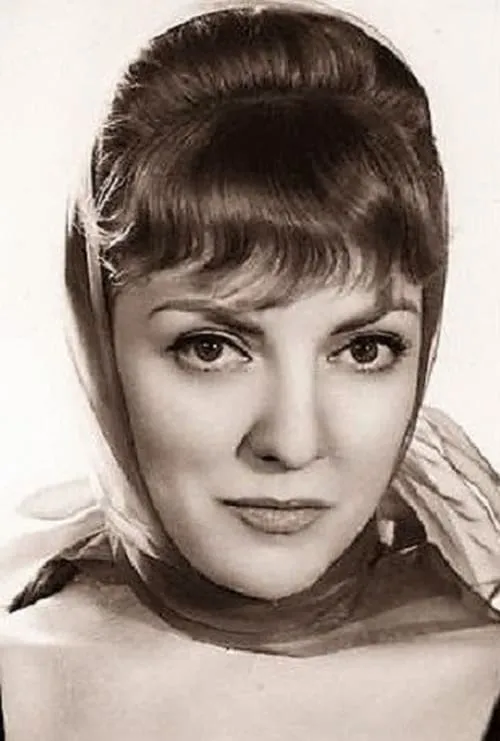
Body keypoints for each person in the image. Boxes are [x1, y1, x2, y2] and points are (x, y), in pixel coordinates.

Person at [1, 2, 499, 738]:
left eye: (364, 349)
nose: (292, 443)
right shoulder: (18, 674)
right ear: (101, 348)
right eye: (210, 348)